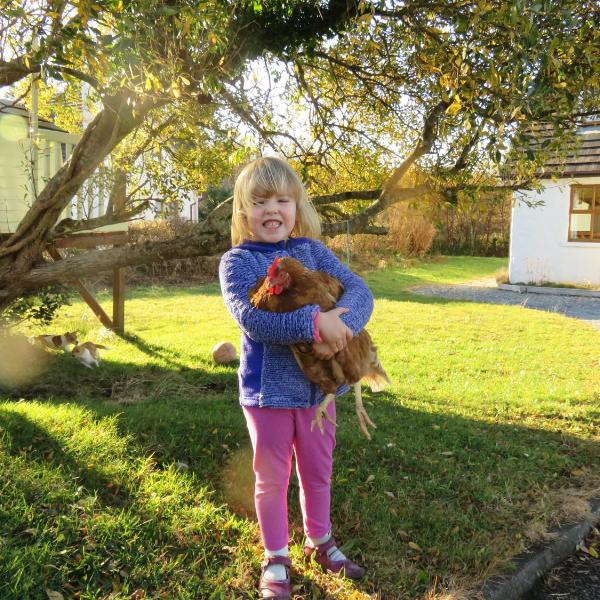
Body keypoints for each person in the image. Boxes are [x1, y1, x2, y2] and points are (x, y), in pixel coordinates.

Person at [219, 156, 373, 599]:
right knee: (271, 477)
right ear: (243, 212)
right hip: (267, 394)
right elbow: (252, 319)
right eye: (260, 200)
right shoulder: (237, 262)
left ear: (297, 206)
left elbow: (360, 290)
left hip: (320, 391)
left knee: (317, 470)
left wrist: (342, 326)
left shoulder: (313, 252)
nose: (272, 209)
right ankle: (276, 555)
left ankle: (319, 541)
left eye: (282, 199)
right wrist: (313, 325)